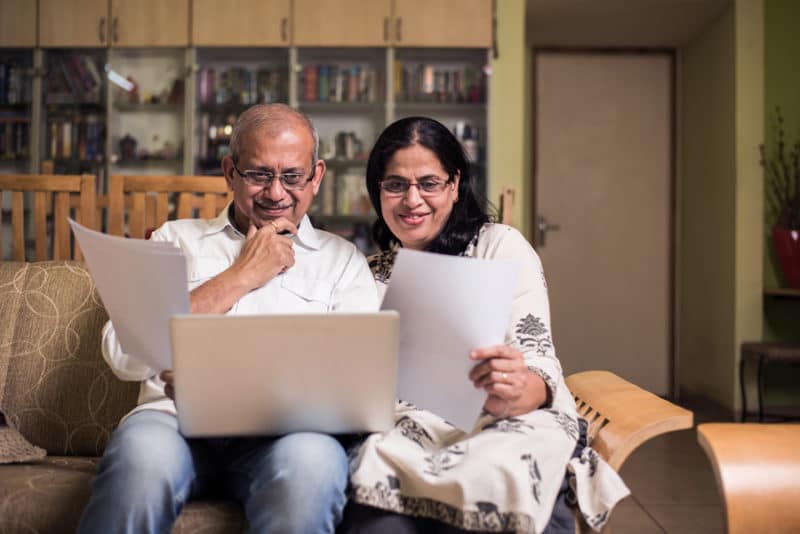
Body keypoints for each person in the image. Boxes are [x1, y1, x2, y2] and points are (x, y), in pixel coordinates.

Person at [78, 104, 378, 534]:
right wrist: (241, 275)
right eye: (259, 175)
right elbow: (122, 353)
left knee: (312, 469)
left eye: (292, 176)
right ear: (229, 173)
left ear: (316, 177)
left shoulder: (343, 262)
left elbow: (359, 385)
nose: (276, 194)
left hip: (290, 437)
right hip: (172, 423)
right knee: (140, 461)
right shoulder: (174, 240)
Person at [340, 117, 629, 534]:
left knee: (507, 468)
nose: (412, 199)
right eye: (396, 184)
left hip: (504, 419)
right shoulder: (367, 273)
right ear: (378, 192)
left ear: (455, 185)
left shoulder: (498, 246)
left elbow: (539, 361)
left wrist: (516, 388)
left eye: (429, 183)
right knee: (372, 484)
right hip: (405, 430)